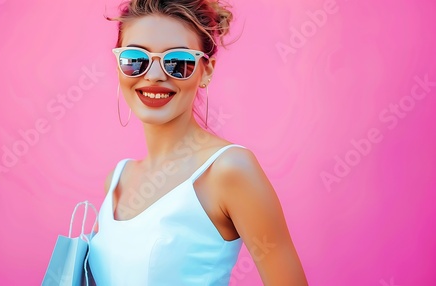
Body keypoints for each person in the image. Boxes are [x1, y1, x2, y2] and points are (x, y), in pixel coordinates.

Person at [88, 0, 308, 285]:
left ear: (206, 70)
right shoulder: (117, 179)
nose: (154, 76)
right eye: (135, 59)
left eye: (178, 62)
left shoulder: (228, 169)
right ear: (118, 66)